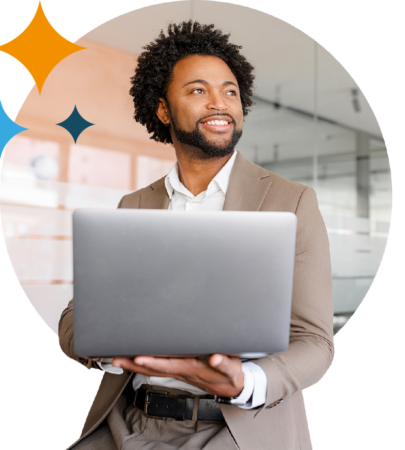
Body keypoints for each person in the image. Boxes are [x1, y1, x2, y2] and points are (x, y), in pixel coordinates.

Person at [58, 21, 335, 450]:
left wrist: (246, 381)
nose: (220, 103)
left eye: (230, 91)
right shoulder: (133, 206)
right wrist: (112, 348)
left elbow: (316, 342)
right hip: (128, 421)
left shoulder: (291, 200)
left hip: (237, 428)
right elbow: (75, 323)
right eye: (198, 90)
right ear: (164, 110)